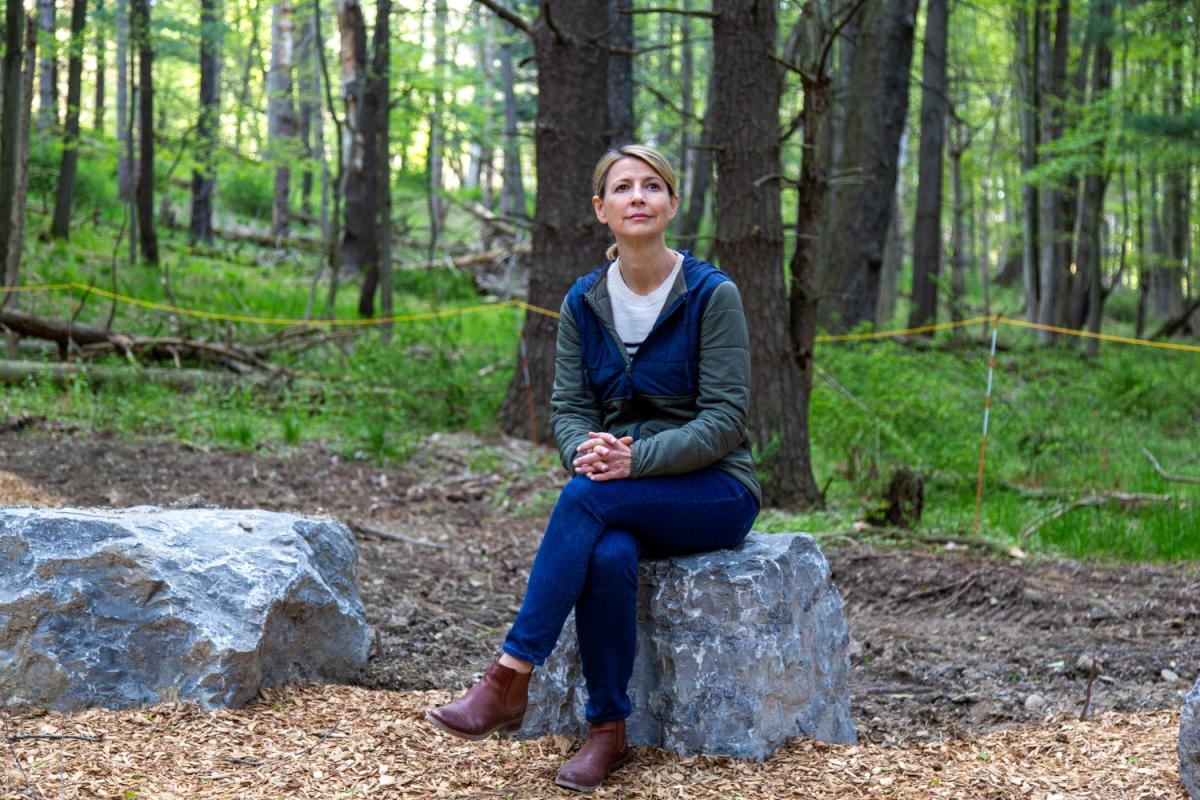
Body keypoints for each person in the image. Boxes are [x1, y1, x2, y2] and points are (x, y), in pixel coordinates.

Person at [425, 144, 761, 793]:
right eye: (623, 187)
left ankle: (508, 676)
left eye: (652, 186)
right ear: (600, 209)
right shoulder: (584, 301)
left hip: (714, 489)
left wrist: (635, 458)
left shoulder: (711, 295)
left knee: (586, 501)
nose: (638, 196)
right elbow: (571, 408)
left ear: (672, 202)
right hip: (620, 488)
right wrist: (587, 449)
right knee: (607, 554)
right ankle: (607, 732)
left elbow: (725, 421)